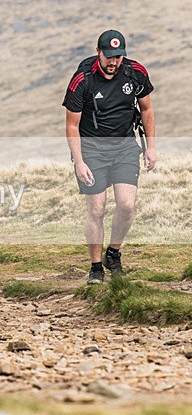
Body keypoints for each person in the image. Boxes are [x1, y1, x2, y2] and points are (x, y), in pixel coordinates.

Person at [63, 29, 156, 285]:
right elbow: (72, 126)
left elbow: (146, 108)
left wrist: (150, 146)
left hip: (125, 147)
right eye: (109, 56)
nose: (114, 62)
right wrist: (79, 162)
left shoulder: (134, 72)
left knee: (126, 206)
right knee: (97, 209)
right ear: (98, 52)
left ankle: (113, 254)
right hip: (92, 151)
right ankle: (95, 268)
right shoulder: (82, 79)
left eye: (118, 56)